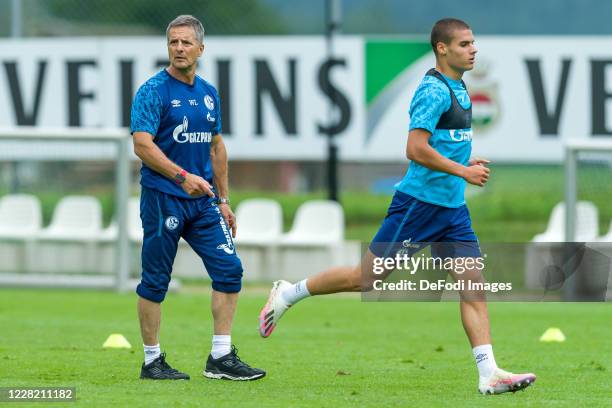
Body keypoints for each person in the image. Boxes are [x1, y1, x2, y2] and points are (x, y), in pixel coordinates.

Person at [259, 18, 535, 395]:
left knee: (473, 285)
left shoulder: (461, 86)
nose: (473, 50)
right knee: (366, 278)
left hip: (451, 210)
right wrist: (462, 171)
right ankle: (289, 293)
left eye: (474, 43)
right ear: (442, 48)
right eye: (464, 44)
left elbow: (444, 143)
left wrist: (463, 167)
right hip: (418, 207)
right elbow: (415, 149)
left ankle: (489, 373)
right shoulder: (433, 91)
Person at [130, 14, 265, 381]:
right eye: (173, 42)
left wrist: (224, 200)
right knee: (156, 280)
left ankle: (220, 357)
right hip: (163, 198)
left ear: (200, 49)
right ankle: (152, 361)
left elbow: (217, 146)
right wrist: (181, 176)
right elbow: (141, 144)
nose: (178, 48)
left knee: (230, 270)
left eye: (186, 42)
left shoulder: (207, 94)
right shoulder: (153, 91)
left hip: (203, 201)